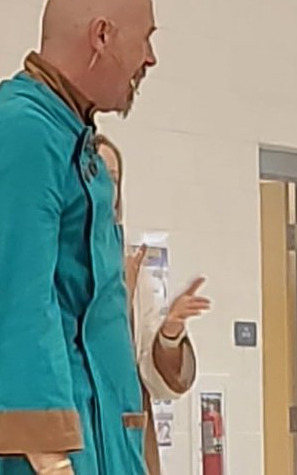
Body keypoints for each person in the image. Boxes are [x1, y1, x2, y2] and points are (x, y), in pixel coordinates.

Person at [0, 0, 159, 474]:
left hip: (94, 428)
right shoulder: (23, 134)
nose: (149, 58)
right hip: (44, 449)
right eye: (144, 38)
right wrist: (51, 459)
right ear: (101, 36)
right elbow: (17, 300)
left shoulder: (65, 134)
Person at [94, 134, 209, 474]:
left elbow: (154, 378)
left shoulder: (131, 263)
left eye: (114, 179)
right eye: (98, 174)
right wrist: (114, 300)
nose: (107, 188)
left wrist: (170, 332)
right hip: (74, 422)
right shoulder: (53, 255)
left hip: (126, 431)